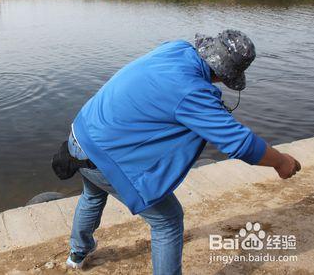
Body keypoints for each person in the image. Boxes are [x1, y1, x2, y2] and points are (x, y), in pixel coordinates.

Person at [64, 30, 301, 274]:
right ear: (223, 75)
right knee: (168, 221)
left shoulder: (176, 48)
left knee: (92, 196)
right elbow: (240, 143)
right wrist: (281, 162)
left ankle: (77, 254)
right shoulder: (192, 91)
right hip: (103, 156)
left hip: (80, 136)